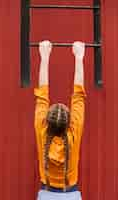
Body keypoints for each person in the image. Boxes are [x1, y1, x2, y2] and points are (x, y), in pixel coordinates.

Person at [34, 40, 86, 200]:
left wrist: (44, 57)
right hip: (70, 195)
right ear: (69, 121)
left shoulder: (41, 129)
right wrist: (79, 57)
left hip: (46, 194)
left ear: (47, 120)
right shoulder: (73, 132)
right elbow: (78, 95)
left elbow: (42, 95)